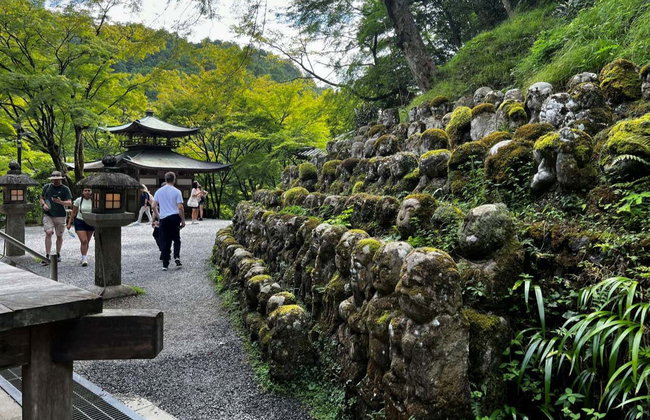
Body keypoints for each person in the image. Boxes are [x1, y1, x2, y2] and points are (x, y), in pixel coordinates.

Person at [152, 172, 185, 271]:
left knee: (165, 240)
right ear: (174, 180)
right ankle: (176, 257)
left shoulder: (159, 191)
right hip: (175, 217)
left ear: (165, 179)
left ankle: (165, 264)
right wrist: (183, 220)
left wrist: (159, 216)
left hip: (164, 218)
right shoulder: (177, 191)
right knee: (176, 239)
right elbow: (180, 207)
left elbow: (153, 206)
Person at [39, 170, 72, 264]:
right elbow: (41, 198)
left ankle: (58, 253)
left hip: (61, 215)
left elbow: (69, 203)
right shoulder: (47, 187)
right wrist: (43, 204)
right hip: (48, 214)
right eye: (54, 179)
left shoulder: (65, 189)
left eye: (57, 179)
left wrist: (60, 202)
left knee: (59, 235)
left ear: (60, 179)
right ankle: (47, 255)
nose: (55, 181)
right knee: (48, 233)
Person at [66, 187, 95, 266]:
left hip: (91, 222)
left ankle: (84, 256)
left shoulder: (95, 200)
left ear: (91, 192)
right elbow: (73, 212)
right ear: (82, 192)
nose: (87, 192)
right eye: (85, 190)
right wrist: (69, 223)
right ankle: (84, 258)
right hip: (80, 221)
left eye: (89, 190)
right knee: (84, 240)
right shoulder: (79, 200)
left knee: (87, 241)